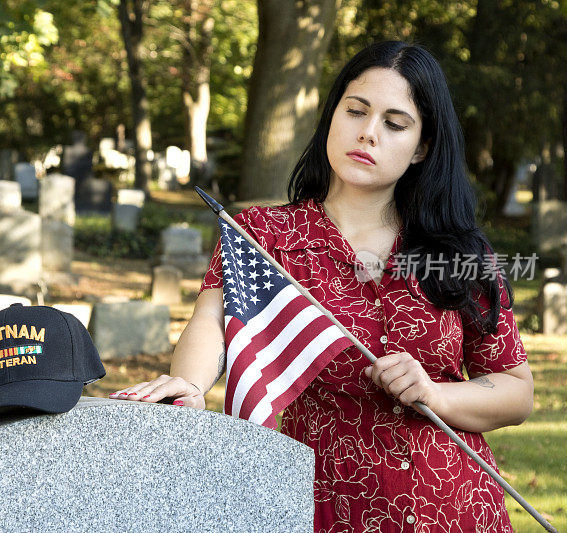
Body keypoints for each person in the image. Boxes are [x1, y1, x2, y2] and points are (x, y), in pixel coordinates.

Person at [110, 41, 533, 532]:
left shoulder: (459, 253)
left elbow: (515, 390)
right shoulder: (263, 236)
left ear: (421, 147)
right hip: (320, 506)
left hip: (456, 509)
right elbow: (214, 322)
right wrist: (190, 382)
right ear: (333, 115)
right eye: (356, 111)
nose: (368, 134)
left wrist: (436, 394)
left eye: (395, 124)